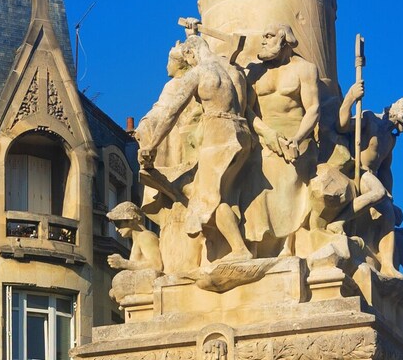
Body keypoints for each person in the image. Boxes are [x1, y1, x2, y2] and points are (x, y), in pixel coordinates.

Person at [137, 33, 254, 263]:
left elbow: (172, 112)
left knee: (207, 198)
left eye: (187, 57)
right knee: (223, 195)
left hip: (218, 135)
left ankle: (240, 249)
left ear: (190, 53)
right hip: (241, 133)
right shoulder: (228, 68)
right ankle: (234, 244)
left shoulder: (199, 72)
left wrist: (152, 145)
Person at [243, 25, 322, 255]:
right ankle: (255, 246)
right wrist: (266, 133)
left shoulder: (306, 69)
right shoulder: (255, 73)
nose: (264, 41)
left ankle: (289, 245)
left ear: (285, 40)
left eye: (268, 36)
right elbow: (247, 110)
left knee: (289, 183)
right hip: (264, 139)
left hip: (296, 140)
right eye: (263, 37)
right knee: (256, 185)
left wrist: (297, 139)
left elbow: (314, 108)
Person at [336, 80, 403, 280]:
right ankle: (339, 220)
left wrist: (391, 199)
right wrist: (350, 98)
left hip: (372, 176)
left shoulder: (390, 140)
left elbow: (385, 170)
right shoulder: (368, 119)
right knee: (378, 193)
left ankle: (388, 265)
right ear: (400, 113)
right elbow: (342, 126)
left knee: (388, 213)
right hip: (357, 171)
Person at [106, 202, 163, 272]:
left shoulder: (145, 236)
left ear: (131, 220)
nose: (116, 229)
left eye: (118, 223)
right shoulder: (138, 240)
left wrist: (124, 263)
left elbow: (156, 265)